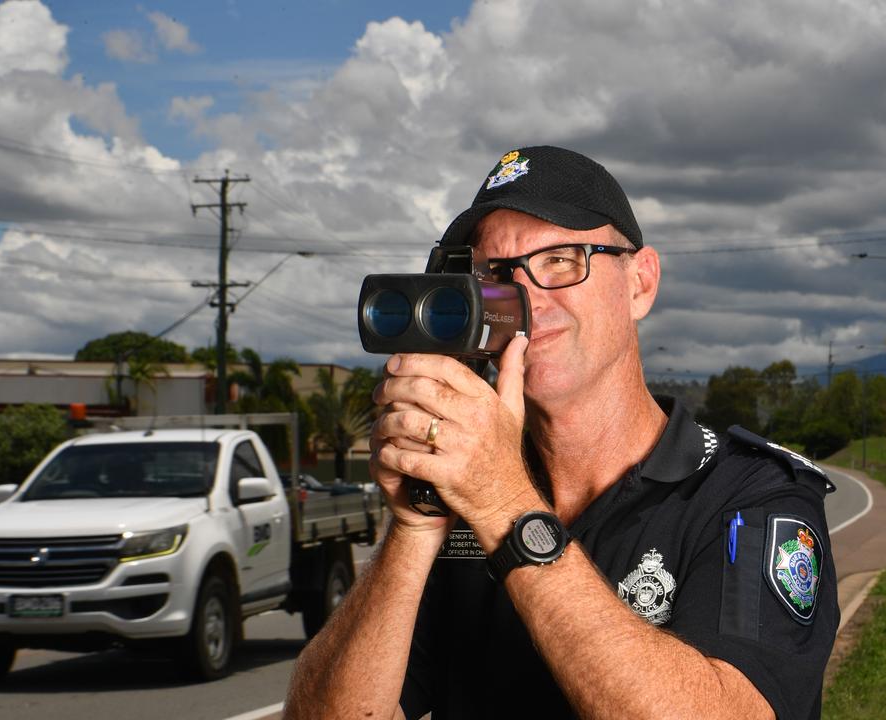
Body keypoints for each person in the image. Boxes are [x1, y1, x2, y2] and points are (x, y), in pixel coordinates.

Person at [285, 146, 838, 719]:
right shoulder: (464, 499)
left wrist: (503, 502)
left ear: (640, 283)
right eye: (496, 274)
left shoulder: (750, 495)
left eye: (560, 259)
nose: (525, 300)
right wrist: (414, 525)